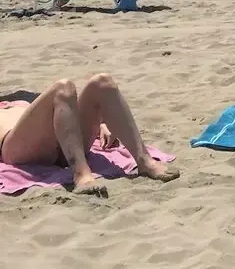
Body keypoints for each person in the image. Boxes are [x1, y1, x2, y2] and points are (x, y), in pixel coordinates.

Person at [0, 74, 180, 196]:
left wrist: (102, 124)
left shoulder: (22, 99)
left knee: (102, 82)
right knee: (63, 87)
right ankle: (81, 173)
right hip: (19, 149)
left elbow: (63, 109)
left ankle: (144, 161)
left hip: (65, 139)